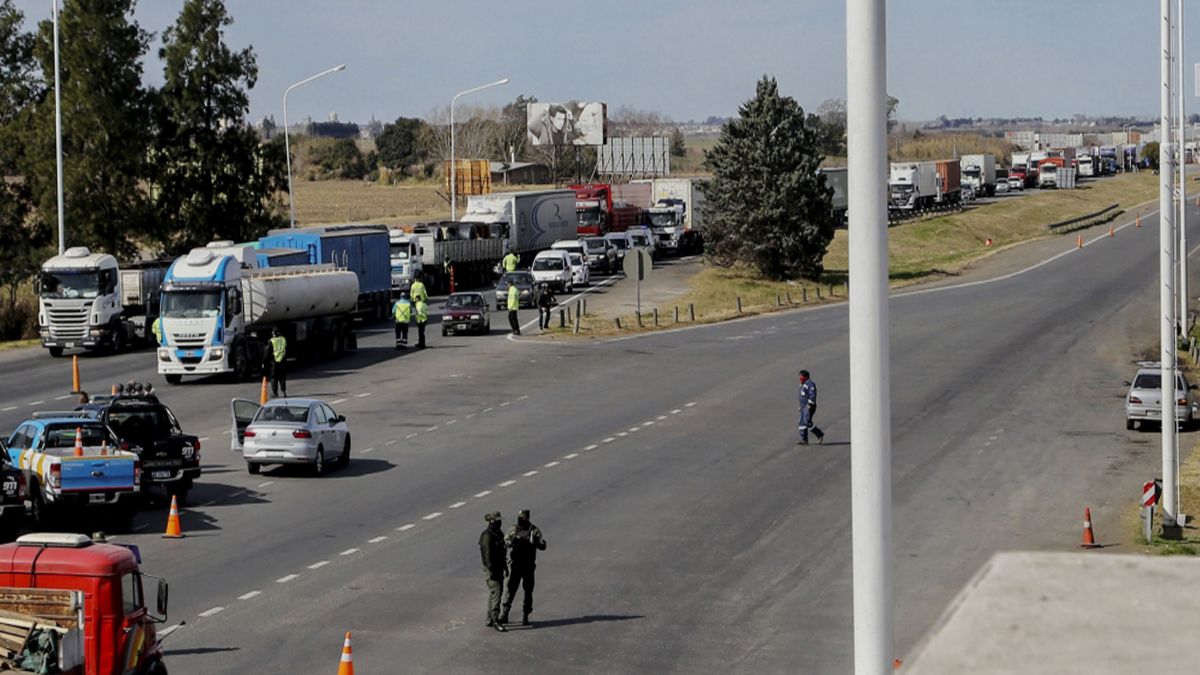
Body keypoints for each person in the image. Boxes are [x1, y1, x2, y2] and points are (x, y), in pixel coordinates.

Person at [500, 509, 547, 627]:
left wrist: (534, 542)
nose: (521, 520)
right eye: (520, 518)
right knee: (510, 589)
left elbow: (543, 545)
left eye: (523, 518)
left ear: (528, 518)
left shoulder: (534, 530)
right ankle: (504, 613)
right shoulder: (514, 529)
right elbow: (505, 541)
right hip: (516, 565)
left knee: (528, 591)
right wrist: (513, 542)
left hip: (528, 566)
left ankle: (526, 614)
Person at [479, 511, 508, 632]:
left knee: (493, 593)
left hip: (499, 567)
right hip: (492, 570)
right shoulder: (487, 536)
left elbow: (502, 551)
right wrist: (492, 571)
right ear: (492, 521)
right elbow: (486, 555)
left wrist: (505, 567)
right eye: (497, 520)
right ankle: (495, 619)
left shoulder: (498, 533)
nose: (500, 522)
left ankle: (490, 617)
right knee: (497, 592)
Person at [797, 369, 824, 445]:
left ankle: (819, 434)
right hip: (803, 407)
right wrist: (801, 407)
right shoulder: (803, 384)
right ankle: (804, 440)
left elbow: (812, 395)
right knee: (801, 422)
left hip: (809, 406)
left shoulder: (810, 384)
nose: (800, 378)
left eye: (801, 377)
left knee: (807, 421)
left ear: (805, 377)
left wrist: (809, 405)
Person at [268, 328, 288, 398]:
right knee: (282, 377)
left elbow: (268, 352)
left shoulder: (272, 341)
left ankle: (275, 393)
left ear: (274, 334)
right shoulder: (283, 339)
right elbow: (286, 349)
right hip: (282, 361)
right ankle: (284, 392)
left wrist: (264, 361)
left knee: (274, 378)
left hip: (274, 362)